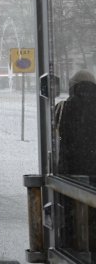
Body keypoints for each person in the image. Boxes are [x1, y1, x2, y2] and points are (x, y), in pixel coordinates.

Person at [55, 69, 96, 250]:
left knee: (73, 220)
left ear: (72, 87)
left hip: (71, 175)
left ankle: (74, 250)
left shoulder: (62, 108)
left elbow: (55, 139)